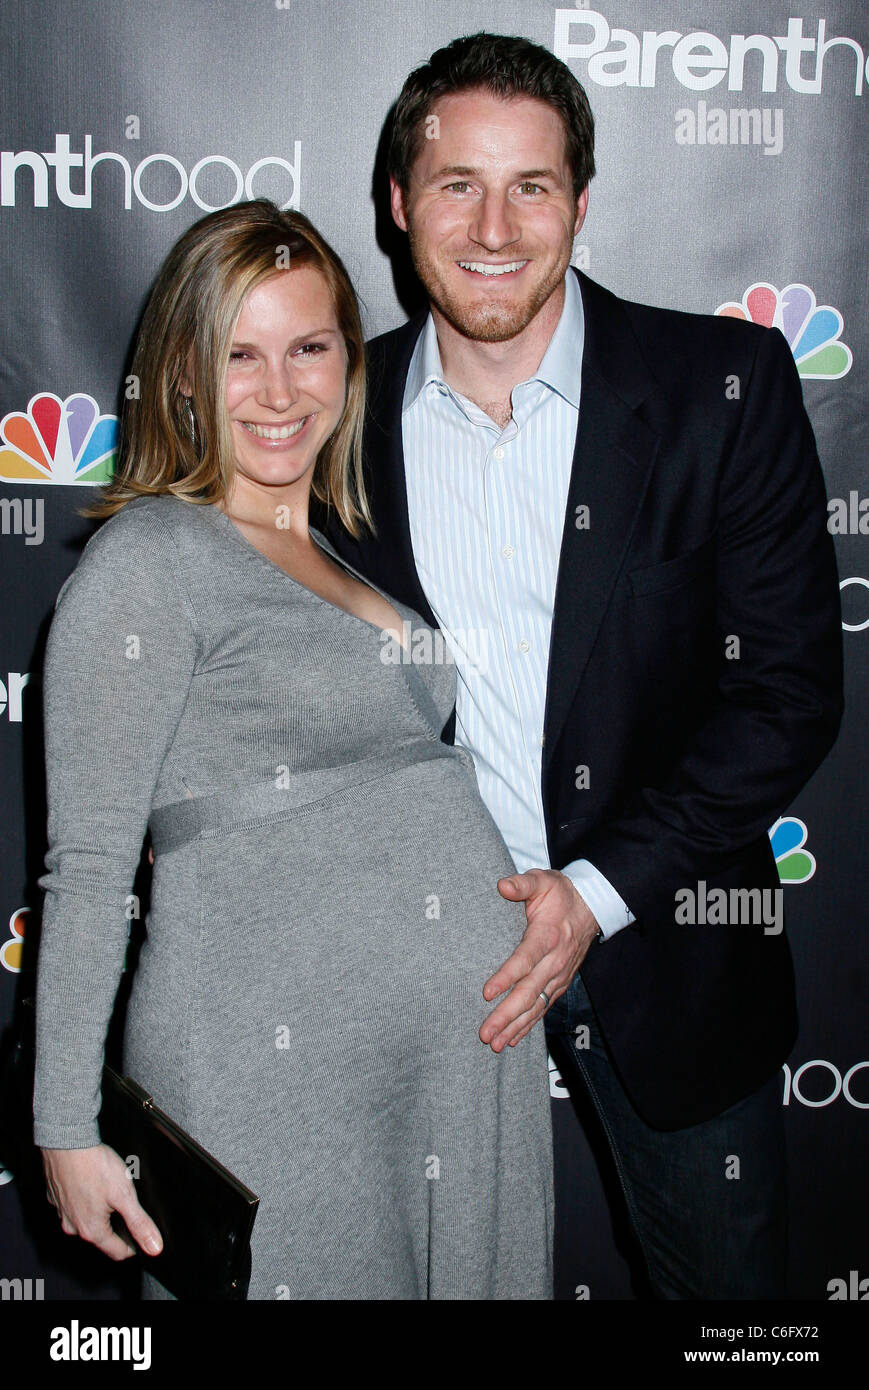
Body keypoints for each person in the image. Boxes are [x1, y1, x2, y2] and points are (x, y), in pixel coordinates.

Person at [317, 32, 844, 1299]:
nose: (493, 228)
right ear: (398, 203)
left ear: (581, 201)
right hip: (411, 972)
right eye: (456, 184)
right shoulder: (322, 417)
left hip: (663, 947)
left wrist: (594, 894)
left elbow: (783, 693)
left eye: (531, 187)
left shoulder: (722, 387)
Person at [32, 199, 554, 1300]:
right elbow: (88, 867)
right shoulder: (149, 560)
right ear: (183, 375)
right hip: (268, 1061)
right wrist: (65, 1127)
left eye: (309, 348)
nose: (279, 391)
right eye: (240, 355)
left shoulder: (345, 555)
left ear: (348, 364)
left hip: (461, 1060)